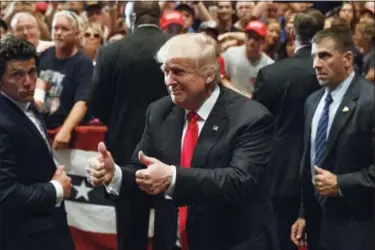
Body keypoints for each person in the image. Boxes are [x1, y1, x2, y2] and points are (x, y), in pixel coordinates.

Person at [88, 33, 279, 250]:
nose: (169, 81)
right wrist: (115, 175)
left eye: (178, 72)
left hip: (232, 241)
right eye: (165, 72)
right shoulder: (159, 111)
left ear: (208, 75)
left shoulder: (251, 117)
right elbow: (144, 169)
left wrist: (173, 177)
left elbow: (238, 180)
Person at [87, 2, 169, 250]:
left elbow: (97, 104)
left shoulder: (111, 52)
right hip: (172, 152)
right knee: (169, 228)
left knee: (130, 233)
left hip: (125, 151)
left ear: (131, 17)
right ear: (160, 17)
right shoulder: (179, 47)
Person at [291, 27, 375, 250]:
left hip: (360, 227)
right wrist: (303, 213)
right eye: (314, 57)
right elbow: (308, 164)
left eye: (324, 56)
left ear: (348, 59)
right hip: (318, 225)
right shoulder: (312, 102)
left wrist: (341, 183)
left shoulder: (370, 101)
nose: (316, 64)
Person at [252, 9, 324, 250]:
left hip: (280, 172)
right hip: (326, 170)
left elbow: (255, 126)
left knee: (280, 240)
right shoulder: (335, 74)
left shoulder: (271, 74)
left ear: (291, 32)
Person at [0, 35, 74, 250]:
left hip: (47, 227)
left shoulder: (26, 104)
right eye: (17, 74)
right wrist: (55, 189)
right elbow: (5, 194)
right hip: (22, 236)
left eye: (32, 72)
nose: (28, 82)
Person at [36, 10, 93, 150]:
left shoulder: (83, 63)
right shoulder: (43, 56)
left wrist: (66, 129)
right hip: (40, 128)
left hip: (65, 133)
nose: (58, 32)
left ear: (77, 34)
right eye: (56, 28)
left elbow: (82, 102)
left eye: (65, 29)